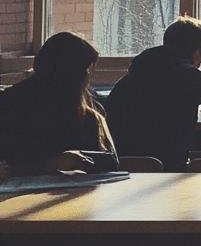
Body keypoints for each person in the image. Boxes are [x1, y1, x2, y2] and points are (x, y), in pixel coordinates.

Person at [106, 16, 201, 172]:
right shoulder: (191, 77)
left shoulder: (134, 75)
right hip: (172, 168)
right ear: (195, 51)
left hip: (125, 167)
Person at [0, 32, 118, 175]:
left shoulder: (89, 113)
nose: (88, 77)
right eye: (86, 70)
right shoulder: (10, 106)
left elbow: (111, 162)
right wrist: (49, 165)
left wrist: (77, 158)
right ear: (74, 75)